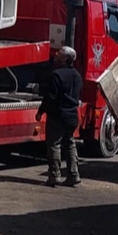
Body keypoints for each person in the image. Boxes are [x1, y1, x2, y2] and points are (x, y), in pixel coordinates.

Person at [35, 45, 83, 187]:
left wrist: (41, 111)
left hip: (58, 115)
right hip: (72, 116)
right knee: (70, 144)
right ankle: (74, 174)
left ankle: (54, 175)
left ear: (65, 59)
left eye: (59, 53)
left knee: (54, 145)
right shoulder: (77, 76)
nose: (56, 54)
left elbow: (50, 97)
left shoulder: (56, 75)